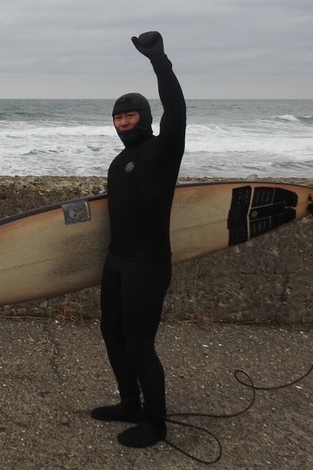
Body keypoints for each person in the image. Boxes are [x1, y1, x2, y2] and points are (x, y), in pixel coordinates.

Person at [91, 31, 186, 449]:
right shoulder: (119, 162)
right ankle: (129, 403)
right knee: (111, 333)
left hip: (148, 266)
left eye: (130, 115)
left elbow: (178, 110)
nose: (123, 122)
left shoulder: (164, 151)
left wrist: (159, 62)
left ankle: (155, 422)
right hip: (117, 263)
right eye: (118, 117)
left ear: (144, 117)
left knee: (140, 344)